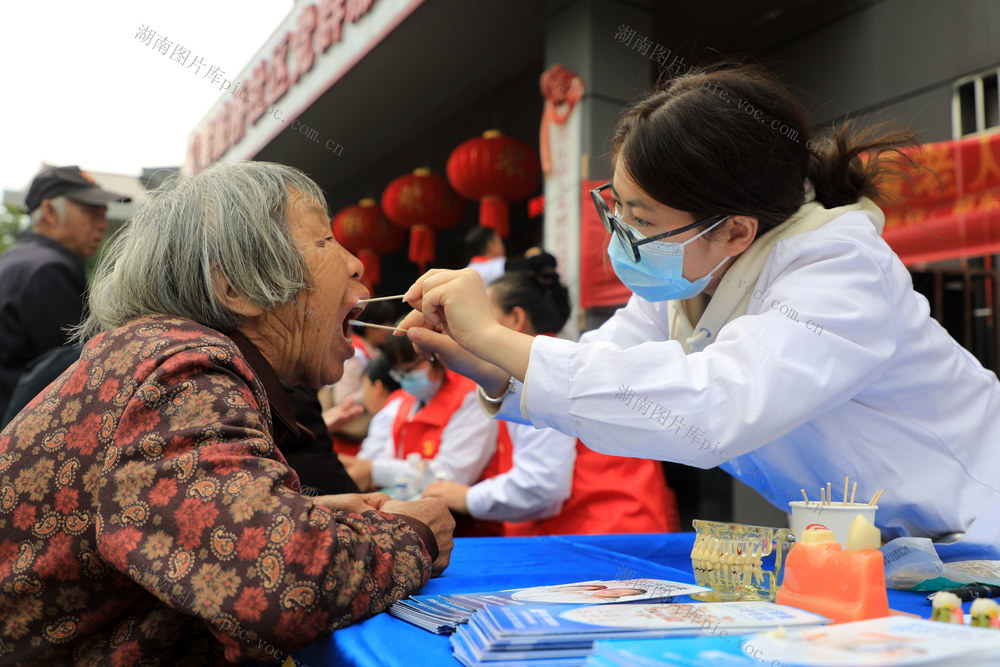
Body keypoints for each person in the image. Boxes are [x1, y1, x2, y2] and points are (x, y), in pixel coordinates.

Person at [399, 63, 1000, 558]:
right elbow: (600, 371)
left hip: (979, 521)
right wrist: (490, 367)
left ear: (736, 230)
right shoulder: (688, 274)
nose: (622, 237)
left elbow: (716, 405)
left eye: (642, 220)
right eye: (619, 209)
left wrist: (490, 331)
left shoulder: (840, 268)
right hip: (891, 549)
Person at [0, 161, 454, 664]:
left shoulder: (156, 353)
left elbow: (192, 534)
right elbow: (281, 584)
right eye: (324, 241)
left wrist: (307, 516)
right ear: (234, 287)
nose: (355, 265)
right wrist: (413, 535)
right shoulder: (179, 375)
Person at [422, 256, 679, 534]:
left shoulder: (548, 369)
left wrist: (468, 498)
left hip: (600, 534)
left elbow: (543, 483)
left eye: (482, 314)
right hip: (615, 527)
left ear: (516, 318)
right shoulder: (560, 358)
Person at [0, 165, 130, 418]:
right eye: (91, 212)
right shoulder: (49, 269)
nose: (102, 224)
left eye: (104, 214)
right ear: (49, 211)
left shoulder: (14, 259)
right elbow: (85, 370)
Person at [342, 333, 498, 494]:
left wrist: (374, 471)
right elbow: (388, 452)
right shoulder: (406, 400)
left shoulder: (470, 398)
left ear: (436, 356)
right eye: (400, 373)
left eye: (409, 370)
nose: (406, 379)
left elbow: (450, 475)